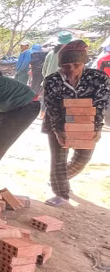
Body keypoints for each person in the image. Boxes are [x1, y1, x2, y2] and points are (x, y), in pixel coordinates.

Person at [41, 40, 109, 206]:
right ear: (60, 65)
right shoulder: (52, 80)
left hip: (87, 122)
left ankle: (58, 179)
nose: (70, 69)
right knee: (58, 158)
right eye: (65, 65)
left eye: (76, 64)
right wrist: (58, 130)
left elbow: (100, 104)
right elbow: (52, 107)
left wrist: (97, 128)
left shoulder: (99, 78)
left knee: (82, 159)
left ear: (83, 62)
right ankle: (61, 194)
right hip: (58, 121)